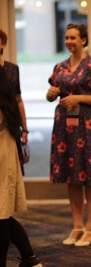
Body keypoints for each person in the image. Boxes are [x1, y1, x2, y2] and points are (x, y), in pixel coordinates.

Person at [46, 23, 91, 247]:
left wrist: (79, 98)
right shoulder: (59, 67)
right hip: (64, 127)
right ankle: (77, 227)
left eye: (73, 38)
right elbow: (50, 95)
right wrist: (51, 93)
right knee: (71, 178)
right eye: (66, 38)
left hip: (87, 126)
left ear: (84, 40)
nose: (69, 41)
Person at [0, 68, 42, 267]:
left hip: (3, 161)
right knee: (3, 216)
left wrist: (25, 131)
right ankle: (30, 259)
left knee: (2, 216)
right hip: (4, 159)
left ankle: (29, 259)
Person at [0, 29, 29, 167]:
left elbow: (18, 100)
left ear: (3, 44)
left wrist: (24, 129)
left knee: (11, 166)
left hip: (10, 124)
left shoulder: (12, 69)